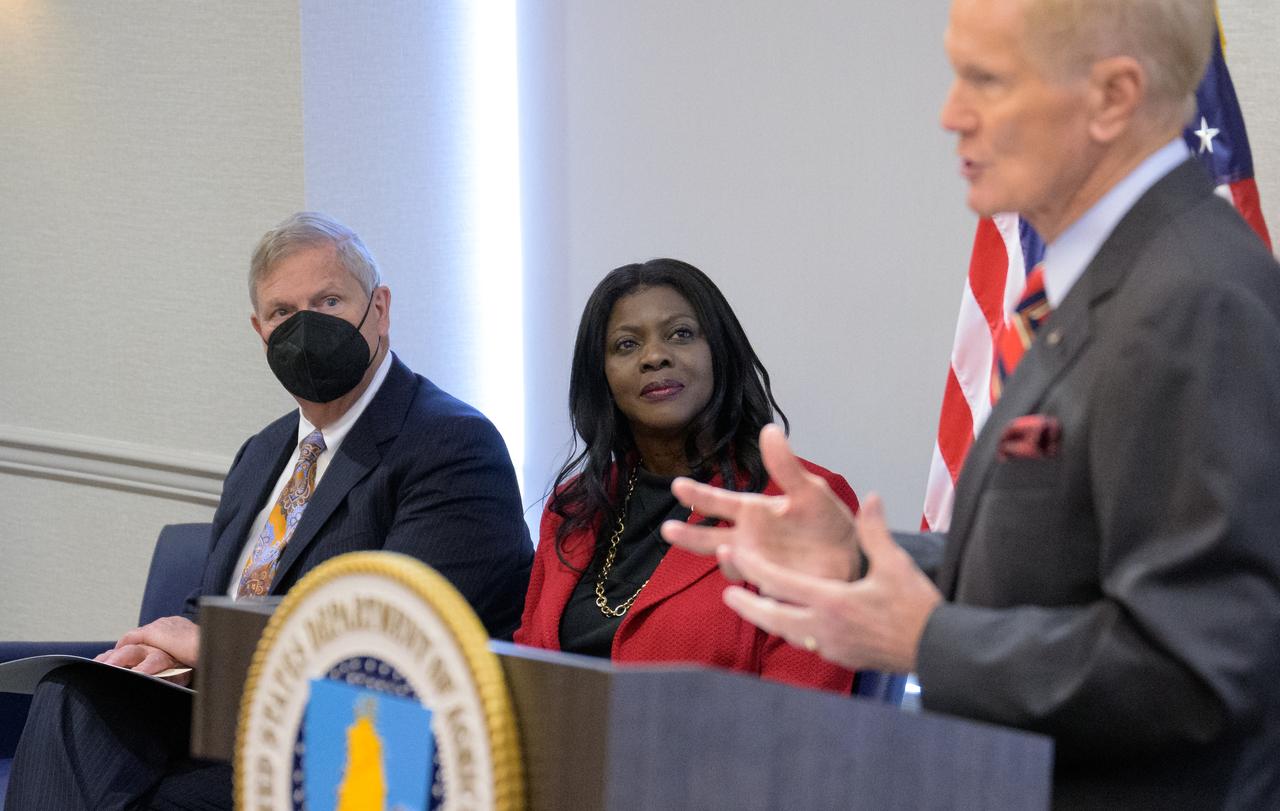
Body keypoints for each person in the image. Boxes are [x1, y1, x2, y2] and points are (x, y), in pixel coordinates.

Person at [662, 0, 1280, 806]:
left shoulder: (1192, 299)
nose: (951, 114)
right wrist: (859, 557)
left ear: (1113, 97)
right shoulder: (1100, 280)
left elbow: (1194, 668)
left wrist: (925, 639)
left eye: (986, 80)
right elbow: (1062, 567)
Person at [5, 212, 534, 810]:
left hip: (357, 746)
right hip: (222, 724)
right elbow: (209, 611)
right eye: (283, 312)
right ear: (260, 331)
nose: (305, 327)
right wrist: (158, 656)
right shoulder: (262, 453)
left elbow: (398, 644)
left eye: (328, 302)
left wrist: (213, 650)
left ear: (380, 309)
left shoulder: (450, 443)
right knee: (71, 694)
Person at [515, 258, 856, 693]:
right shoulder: (574, 508)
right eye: (626, 344)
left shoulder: (798, 505)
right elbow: (523, 676)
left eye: (680, 334)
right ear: (601, 376)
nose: (654, 357)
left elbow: (801, 709)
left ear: (720, 352)